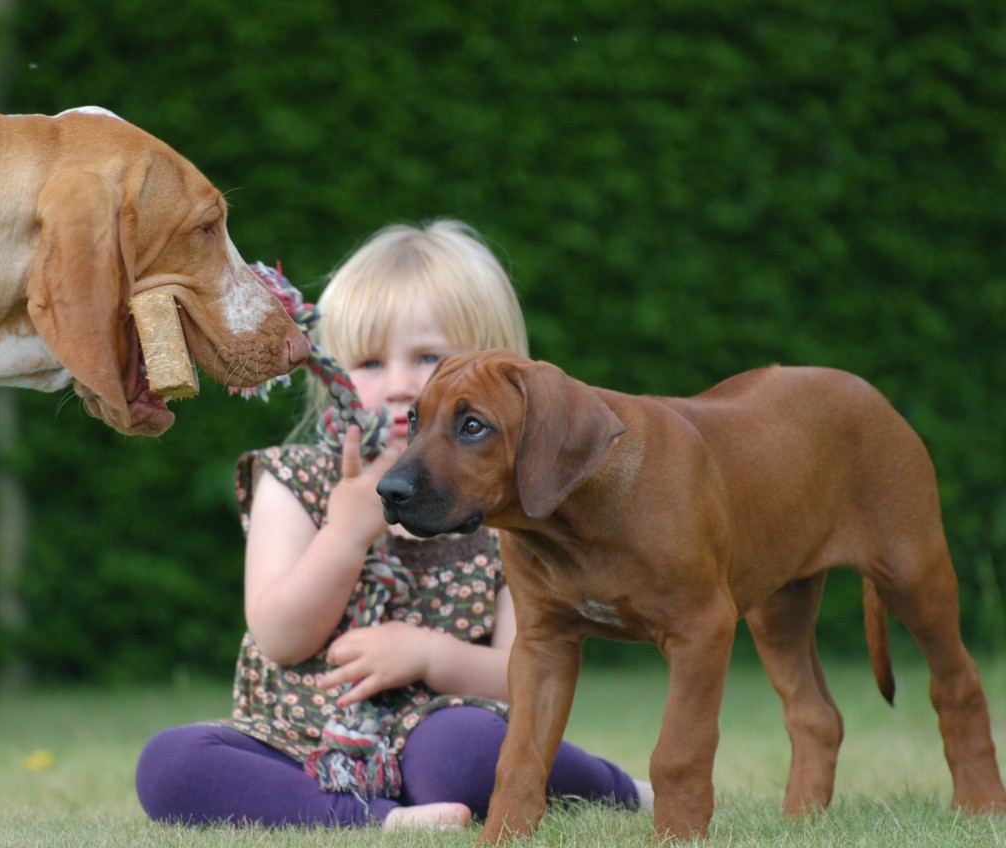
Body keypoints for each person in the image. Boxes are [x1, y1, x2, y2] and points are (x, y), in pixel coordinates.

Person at [135, 219, 650, 830]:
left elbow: (523, 670)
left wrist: (429, 655)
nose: (402, 384)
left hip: (441, 733)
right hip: (299, 742)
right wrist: (345, 534)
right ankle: (375, 818)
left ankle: (618, 788)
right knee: (171, 763)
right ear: (334, 372)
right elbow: (278, 637)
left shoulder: (505, 512)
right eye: (371, 362)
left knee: (468, 751)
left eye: (431, 359)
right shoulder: (295, 480)